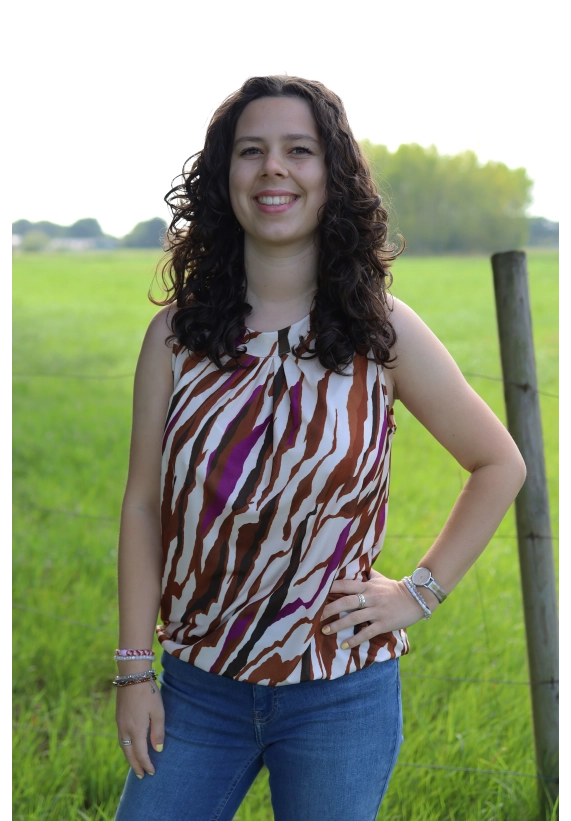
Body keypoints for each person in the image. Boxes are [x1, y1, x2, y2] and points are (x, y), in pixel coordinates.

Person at [113, 75, 526, 821]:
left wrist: (417, 593)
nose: (273, 168)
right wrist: (134, 670)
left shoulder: (381, 330)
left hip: (340, 693)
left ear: (333, 175)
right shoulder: (175, 336)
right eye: (251, 151)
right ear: (224, 177)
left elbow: (499, 463)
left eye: (298, 150)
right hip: (197, 688)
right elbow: (144, 504)